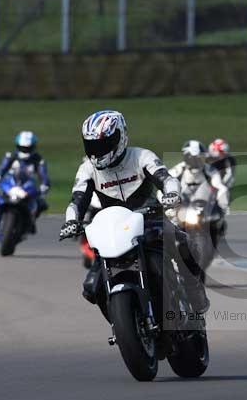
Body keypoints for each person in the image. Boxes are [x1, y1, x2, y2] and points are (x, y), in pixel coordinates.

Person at [58, 110, 209, 313]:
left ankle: (194, 291)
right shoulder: (87, 169)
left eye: (102, 144)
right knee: (91, 288)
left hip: (150, 218)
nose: (97, 151)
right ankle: (119, 327)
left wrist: (171, 194)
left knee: (183, 243)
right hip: (113, 228)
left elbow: (167, 179)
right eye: (92, 145)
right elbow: (77, 199)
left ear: (120, 137)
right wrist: (71, 221)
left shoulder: (141, 156)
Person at [0, 131, 50, 219]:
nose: (25, 151)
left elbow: (43, 175)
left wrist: (44, 185)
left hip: (27, 185)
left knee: (41, 203)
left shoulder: (39, 160)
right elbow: (1, 169)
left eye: (28, 148)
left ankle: (31, 219)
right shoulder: (11, 156)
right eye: (22, 148)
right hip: (11, 182)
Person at [170, 140, 231, 213]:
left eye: (199, 158)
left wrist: (221, 206)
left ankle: (221, 214)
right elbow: (166, 184)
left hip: (204, 203)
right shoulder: (178, 169)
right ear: (187, 157)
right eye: (193, 158)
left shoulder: (209, 169)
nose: (196, 161)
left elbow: (218, 185)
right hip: (181, 205)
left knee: (223, 189)